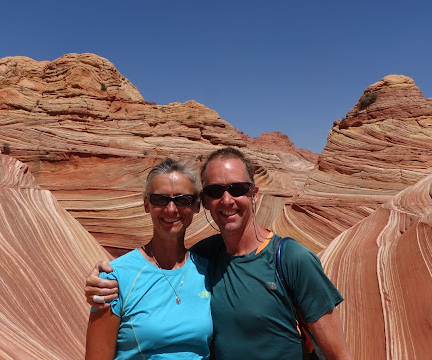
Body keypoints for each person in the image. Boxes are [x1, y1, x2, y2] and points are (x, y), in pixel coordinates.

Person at [86, 148, 352, 360]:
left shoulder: (290, 259)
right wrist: (98, 278)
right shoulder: (204, 258)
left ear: (254, 194)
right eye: (215, 191)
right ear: (206, 202)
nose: (226, 200)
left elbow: (338, 354)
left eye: (237, 189)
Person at [85, 158, 212, 360]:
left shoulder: (208, 271)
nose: (171, 209)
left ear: (196, 206)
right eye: (160, 199)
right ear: (146, 204)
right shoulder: (115, 278)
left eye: (182, 199)